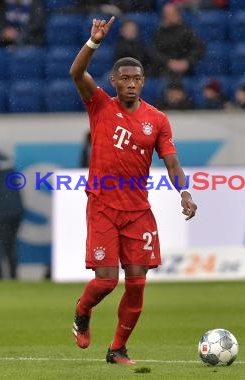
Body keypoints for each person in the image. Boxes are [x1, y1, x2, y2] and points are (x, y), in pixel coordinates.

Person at [68, 16, 197, 365]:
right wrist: (93, 42)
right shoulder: (100, 106)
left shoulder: (157, 120)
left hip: (138, 211)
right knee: (107, 282)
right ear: (113, 82)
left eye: (136, 79)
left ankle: (118, 349)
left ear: (143, 82)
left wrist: (184, 192)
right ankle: (82, 311)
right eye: (124, 78)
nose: (130, 84)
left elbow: (171, 162)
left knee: (137, 284)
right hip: (103, 206)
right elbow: (77, 74)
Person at [152, 3, 205, 78]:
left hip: (185, 71)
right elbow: (154, 52)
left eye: (171, 14)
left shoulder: (186, 31)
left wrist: (186, 62)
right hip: (164, 70)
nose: (169, 17)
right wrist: (168, 62)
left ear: (178, 14)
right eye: (166, 14)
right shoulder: (159, 33)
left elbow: (199, 48)